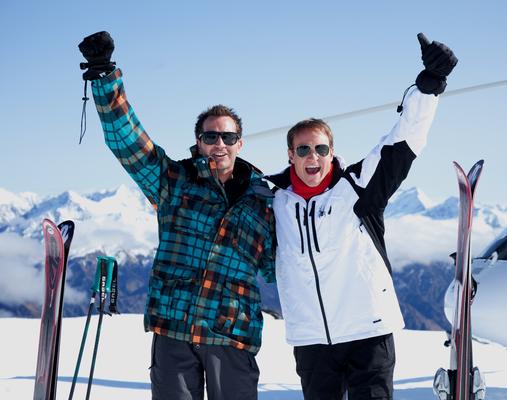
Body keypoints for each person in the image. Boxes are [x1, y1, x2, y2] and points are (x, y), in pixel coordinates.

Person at [78, 31, 276, 400]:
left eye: (228, 138)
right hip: (174, 329)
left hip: (232, 334)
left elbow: (284, 266)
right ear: (198, 142)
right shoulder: (174, 182)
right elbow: (128, 142)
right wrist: (105, 78)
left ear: (240, 143)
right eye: (211, 137)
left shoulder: (265, 201)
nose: (220, 145)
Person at [266, 33, 458, 399]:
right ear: (290, 154)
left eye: (320, 148)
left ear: (331, 151)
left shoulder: (357, 187)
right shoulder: (272, 198)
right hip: (311, 339)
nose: (313, 156)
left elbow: (403, 141)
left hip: (369, 333)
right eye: (303, 148)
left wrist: (429, 86)